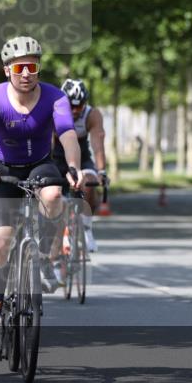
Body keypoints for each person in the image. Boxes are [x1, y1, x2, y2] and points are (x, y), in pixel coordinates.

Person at [0, 35, 82, 360]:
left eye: (32, 66)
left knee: (53, 195)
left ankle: (48, 258)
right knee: (1, 243)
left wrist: (74, 166)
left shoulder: (55, 97)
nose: (26, 73)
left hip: (39, 164)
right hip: (1, 168)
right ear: (8, 70)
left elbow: (67, 134)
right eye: (19, 67)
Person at [51, 78, 107, 254]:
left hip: (82, 158)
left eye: (79, 106)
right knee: (54, 195)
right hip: (57, 157)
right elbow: (48, 144)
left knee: (89, 184)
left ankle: (87, 228)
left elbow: (98, 144)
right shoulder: (53, 114)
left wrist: (102, 171)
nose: (75, 111)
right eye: (71, 106)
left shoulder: (92, 115)